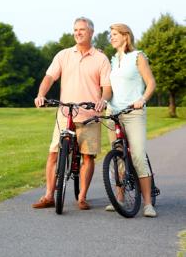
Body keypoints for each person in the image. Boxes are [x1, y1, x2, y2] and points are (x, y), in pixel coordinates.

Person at [32, 17, 112, 210]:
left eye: (82, 30)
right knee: (53, 154)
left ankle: (82, 197)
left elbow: (107, 86)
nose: (78, 33)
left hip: (90, 115)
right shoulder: (64, 55)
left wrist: (103, 100)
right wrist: (41, 94)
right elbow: (49, 77)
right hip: (65, 113)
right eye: (75, 29)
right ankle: (49, 196)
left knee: (87, 156)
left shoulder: (101, 58)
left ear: (91, 33)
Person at [105, 23, 157, 217]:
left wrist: (142, 99)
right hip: (114, 113)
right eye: (111, 34)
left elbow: (151, 83)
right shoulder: (111, 60)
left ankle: (148, 204)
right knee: (118, 155)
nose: (112, 37)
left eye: (115, 34)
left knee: (137, 156)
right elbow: (109, 88)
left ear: (126, 36)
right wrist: (103, 101)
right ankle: (119, 198)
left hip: (134, 112)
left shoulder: (138, 57)